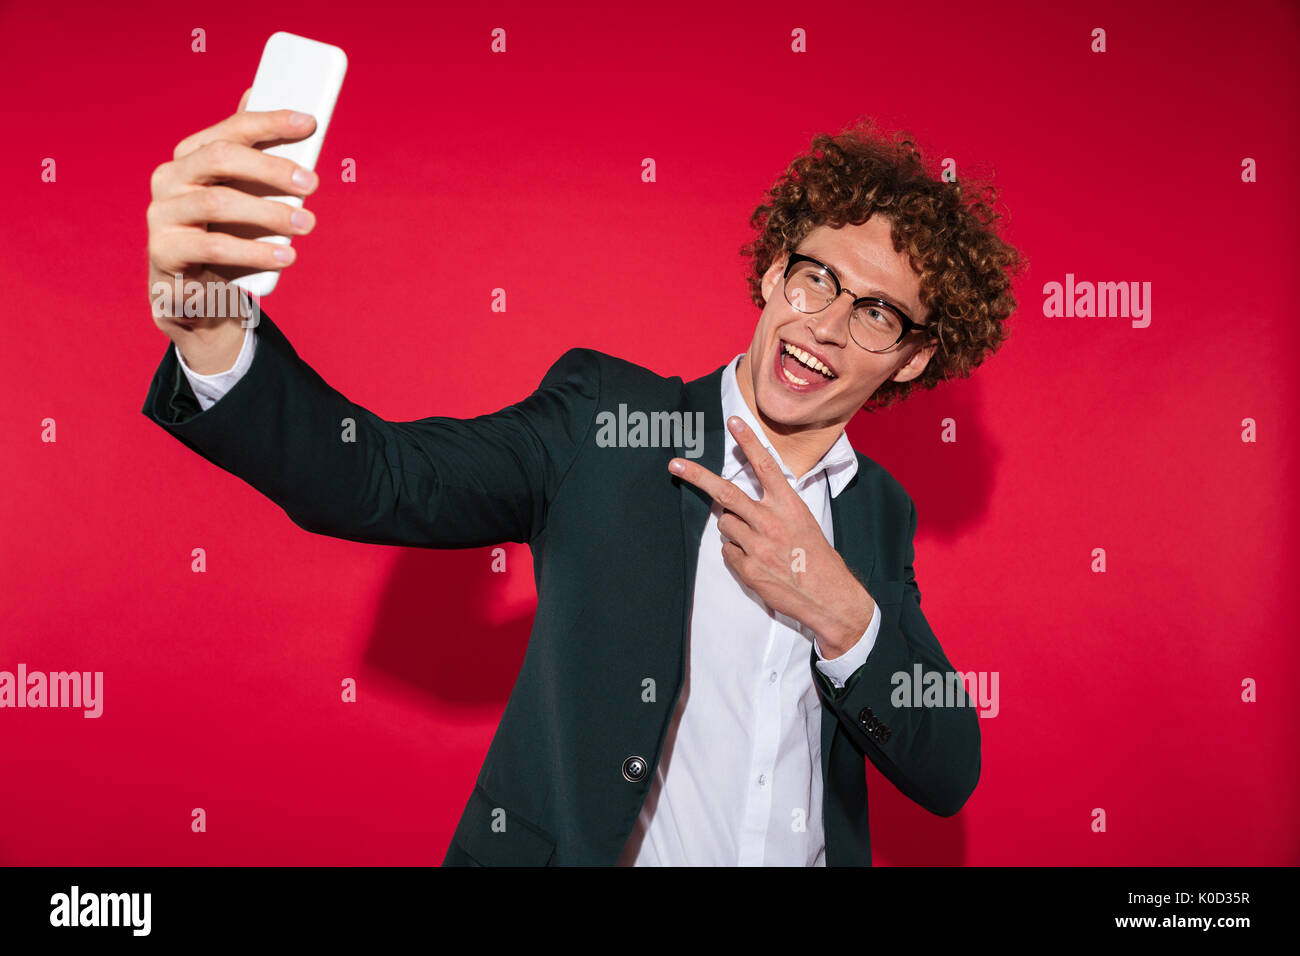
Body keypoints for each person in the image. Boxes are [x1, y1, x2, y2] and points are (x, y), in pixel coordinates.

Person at [142, 96, 1025, 866]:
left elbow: (948, 769)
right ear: (771, 272)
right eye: (814, 279)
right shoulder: (606, 419)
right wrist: (213, 324)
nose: (826, 326)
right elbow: (373, 477)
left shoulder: (878, 510)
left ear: (912, 357)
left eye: (875, 312)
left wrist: (840, 611)